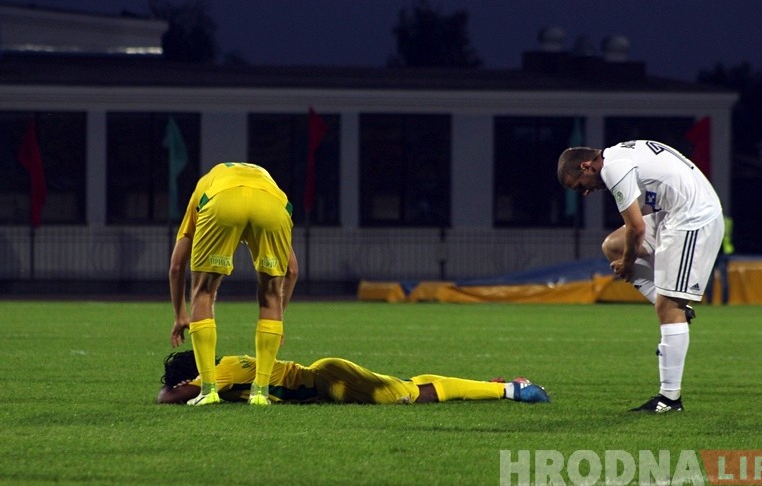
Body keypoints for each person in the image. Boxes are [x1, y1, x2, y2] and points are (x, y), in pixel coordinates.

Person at [557, 140, 724, 413]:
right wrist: (628, 255)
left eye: (580, 185)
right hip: (672, 214)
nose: (586, 192)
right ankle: (677, 306)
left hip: (693, 218)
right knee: (612, 245)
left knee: (667, 306)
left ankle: (670, 399)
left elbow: (636, 228)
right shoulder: (619, 153)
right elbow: (645, 212)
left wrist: (628, 262)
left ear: (586, 166)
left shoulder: (614, 170)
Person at [168, 162, 298, 407]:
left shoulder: (204, 186)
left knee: (203, 291)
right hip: (272, 205)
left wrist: (180, 314)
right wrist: (277, 321)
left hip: (223, 201)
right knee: (270, 294)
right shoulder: (264, 179)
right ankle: (260, 393)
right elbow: (292, 271)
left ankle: (208, 391)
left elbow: (176, 266)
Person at [157, 350, 551, 405]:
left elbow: (169, 399)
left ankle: (511, 391)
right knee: (409, 384)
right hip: (325, 380)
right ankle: (493, 383)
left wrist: (171, 389)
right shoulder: (227, 366)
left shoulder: (220, 373)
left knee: (401, 397)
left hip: (326, 380)